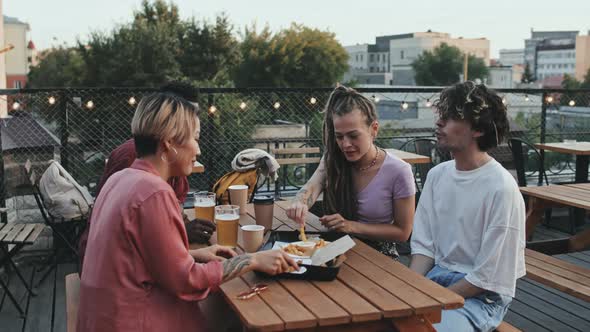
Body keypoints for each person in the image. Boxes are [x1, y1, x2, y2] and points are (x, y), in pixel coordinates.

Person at [77, 85, 298, 332]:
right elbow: (187, 280)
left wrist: (193, 254)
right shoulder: (154, 192)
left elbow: (132, 259)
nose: (199, 150)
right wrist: (254, 259)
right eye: (195, 138)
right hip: (132, 321)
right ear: (169, 143)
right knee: (238, 310)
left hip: (101, 318)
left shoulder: (121, 179)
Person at [409, 81, 526, 332]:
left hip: (481, 296)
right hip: (436, 279)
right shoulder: (437, 175)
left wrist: (433, 301)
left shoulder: (501, 188)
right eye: (441, 116)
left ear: (478, 130)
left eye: (450, 117)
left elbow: (487, 277)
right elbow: (424, 247)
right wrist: (412, 291)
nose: (439, 123)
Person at [78, 84, 214, 273]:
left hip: (116, 272)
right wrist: (249, 262)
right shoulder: (140, 173)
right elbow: (182, 277)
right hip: (108, 270)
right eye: (186, 112)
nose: (194, 119)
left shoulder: (160, 171)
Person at [286, 85, 415, 258]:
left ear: (374, 129)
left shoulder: (399, 171)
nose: (346, 144)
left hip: (378, 257)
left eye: (354, 136)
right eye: (339, 137)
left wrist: (350, 226)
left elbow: (402, 232)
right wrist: (299, 203)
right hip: (335, 248)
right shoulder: (333, 159)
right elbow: (312, 185)